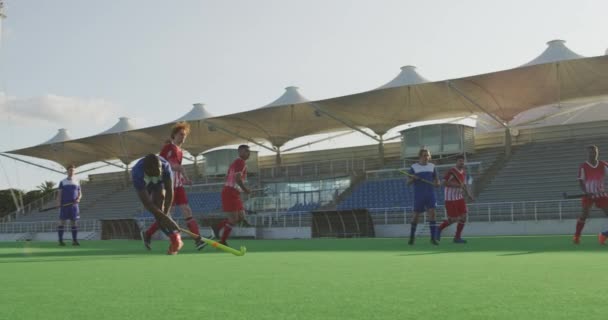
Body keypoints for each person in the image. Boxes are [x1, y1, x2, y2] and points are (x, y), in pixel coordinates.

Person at [141, 122, 206, 250]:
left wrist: (184, 179)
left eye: (185, 135)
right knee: (165, 216)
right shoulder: (168, 148)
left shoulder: (180, 151)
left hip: (178, 186)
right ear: (174, 135)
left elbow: (177, 168)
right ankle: (148, 234)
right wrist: (180, 169)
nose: (183, 137)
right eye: (181, 134)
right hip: (168, 186)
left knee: (187, 210)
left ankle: (198, 239)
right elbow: (161, 165)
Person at [132, 154, 182, 255]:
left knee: (161, 209)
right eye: (155, 172)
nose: (159, 171)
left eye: (159, 169)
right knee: (157, 212)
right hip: (146, 183)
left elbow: (170, 192)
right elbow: (148, 204)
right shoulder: (137, 173)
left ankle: (153, 235)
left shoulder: (165, 167)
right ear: (147, 170)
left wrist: (166, 215)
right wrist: (165, 218)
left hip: (159, 184)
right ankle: (174, 238)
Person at [212, 145, 251, 246]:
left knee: (241, 217)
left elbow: (234, 178)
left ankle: (218, 226)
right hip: (230, 192)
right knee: (233, 219)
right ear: (240, 152)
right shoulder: (240, 162)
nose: (248, 153)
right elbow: (237, 179)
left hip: (234, 192)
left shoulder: (237, 163)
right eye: (246, 151)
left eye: (249, 151)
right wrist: (245, 189)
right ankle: (222, 240)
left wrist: (240, 190)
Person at [573, 145, 608, 244]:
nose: (593, 154)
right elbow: (580, 182)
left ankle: (604, 235)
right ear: (587, 153)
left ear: (597, 153)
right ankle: (577, 236)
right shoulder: (583, 166)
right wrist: (585, 192)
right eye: (591, 152)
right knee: (584, 215)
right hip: (588, 194)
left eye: (595, 152)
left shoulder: (603, 164)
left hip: (601, 194)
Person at [407, 148, 441, 245]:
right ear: (420, 156)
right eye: (424, 155)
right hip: (419, 195)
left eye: (427, 155)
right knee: (416, 216)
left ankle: (433, 238)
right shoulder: (414, 167)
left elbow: (437, 180)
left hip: (430, 194)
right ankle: (412, 237)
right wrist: (413, 178)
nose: (426, 157)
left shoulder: (432, 166)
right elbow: (407, 182)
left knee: (432, 214)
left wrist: (437, 183)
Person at [437, 155, 474, 244]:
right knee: (453, 219)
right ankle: (438, 229)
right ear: (456, 162)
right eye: (460, 161)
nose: (461, 162)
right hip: (450, 198)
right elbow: (443, 183)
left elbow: (464, 185)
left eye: (462, 161)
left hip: (459, 197)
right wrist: (456, 185)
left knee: (464, 217)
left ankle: (457, 237)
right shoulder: (451, 171)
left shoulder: (463, 172)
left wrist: (469, 194)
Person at [56, 164, 82, 246]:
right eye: (70, 170)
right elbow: (59, 194)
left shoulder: (77, 181)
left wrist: (78, 198)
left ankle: (75, 241)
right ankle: (60, 241)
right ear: (67, 171)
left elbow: (80, 193)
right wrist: (58, 203)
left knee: (74, 222)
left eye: (73, 170)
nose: (71, 172)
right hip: (64, 205)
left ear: (75, 172)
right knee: (62, 222)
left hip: (74, 206)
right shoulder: (62, 182)